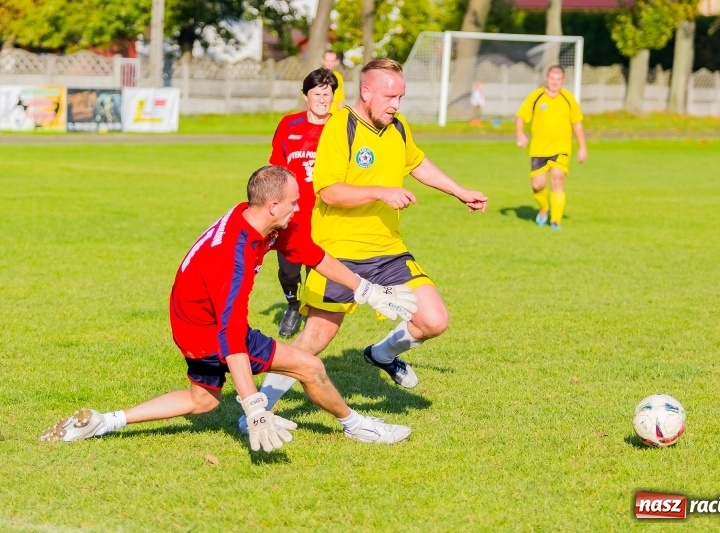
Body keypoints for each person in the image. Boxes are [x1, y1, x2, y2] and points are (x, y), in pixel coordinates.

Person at [40, 166, 418, 452]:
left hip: (187, 322)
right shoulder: (232, 258)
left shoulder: (255, 216)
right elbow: (231, 336)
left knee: (201, 400)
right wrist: (253, 406)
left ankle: (104, 422)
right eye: (294, 202)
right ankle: (356, 425)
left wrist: (365, 289)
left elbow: (313, 254)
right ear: (272, 205)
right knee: (310, 366)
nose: (299, 207)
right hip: (206, 329)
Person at [255, 58, 488, 414]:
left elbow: (417, 162)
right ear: (366, 91)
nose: (395, 104)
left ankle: (381, 354)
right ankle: (259, 407)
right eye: (389, 96)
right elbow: (328, 191)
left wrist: (459, 191)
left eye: (400, 97)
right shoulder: (339, 127)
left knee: (433, 319)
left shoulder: (398, 126)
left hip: (388, 250)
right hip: (338, 251)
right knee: (314, 339)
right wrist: (380, 191)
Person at [271, 68, 339, 337]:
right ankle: (292, 304)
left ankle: (313, 317)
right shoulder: (289, 124)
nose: (323, 99)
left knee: (319, 268)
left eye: (327, 94)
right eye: (317, 94)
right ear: (306, 96)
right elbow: (276, 167)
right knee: (288, 270)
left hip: (327, 213)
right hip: (293, 214)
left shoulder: (340, 126)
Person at [514, 65, 587, 230]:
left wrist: (582, 147)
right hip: (539, 149)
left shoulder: (568, 98)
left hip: (561, 148)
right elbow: (520, 117)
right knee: (537, 185)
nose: (555, 82)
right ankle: (544, 208)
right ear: (547, 78)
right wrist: (520, 134)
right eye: (552, 78)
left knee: (557, 178)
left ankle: (555, 220)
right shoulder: (536, 96)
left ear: (563, 80)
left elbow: (577, 124)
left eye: (558, 79)